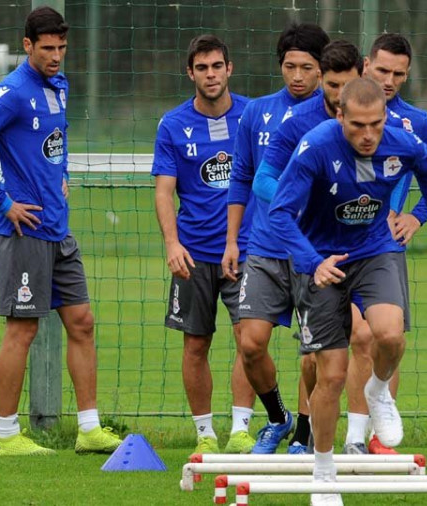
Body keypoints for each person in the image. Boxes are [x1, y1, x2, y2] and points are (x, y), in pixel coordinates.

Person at [269, 77, 427, 505]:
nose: (367, 135)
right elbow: (280, 212)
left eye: (375, 125)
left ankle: (378, 391)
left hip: (374, 247)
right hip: (323, 259)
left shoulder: (403, 142)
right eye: (357, 124)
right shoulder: (316, 146)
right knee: (333, 375)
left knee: (391, 334)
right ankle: (323, 474)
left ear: (385, 119)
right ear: (339, 115)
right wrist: (312, 262)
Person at [0, 6, 121, 456]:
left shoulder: (59, 85)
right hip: (23, 232)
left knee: (82, 322)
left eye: (62, 47)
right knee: (22, 329)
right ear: (28, 46)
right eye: (48, 48)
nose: (57, 56)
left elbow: (54, 142)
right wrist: (3, 201)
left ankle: (89, 429)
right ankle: (5, 434)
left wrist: (59, 174)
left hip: (58, 229)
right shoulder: (11, 92)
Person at [252, 39, 404, 454]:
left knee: (373, 334)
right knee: (318, 362)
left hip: (368, 249)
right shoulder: (299, 126)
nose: (340, 96)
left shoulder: (384, 120)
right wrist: (305, 201)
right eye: (332, 86)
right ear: (324, 82)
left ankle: (358, 436)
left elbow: (417, 166)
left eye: (348, 85)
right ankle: (308, 437)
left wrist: (402, 211)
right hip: (310, 248)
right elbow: (263, 181)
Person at [338, 32, 427, 455]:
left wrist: (416, 216)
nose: (389, 80)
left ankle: (373, 437)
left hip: (384, 247)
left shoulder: (415, 124)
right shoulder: (341, 114)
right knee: (356, 337)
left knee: (384, 339)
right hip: (336, 243)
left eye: (399, 74)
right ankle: (350, 435)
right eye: (383, 70)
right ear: (366, 65)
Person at [224, 22, 330, 454]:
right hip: (264, 247)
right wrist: (233, 240)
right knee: (250, 343)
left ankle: (304, 434)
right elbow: (243, 177)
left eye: (307, 67)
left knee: (313, 354)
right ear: (280, 66)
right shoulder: (258, 113)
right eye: (290, 66)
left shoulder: (335, 116)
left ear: (323, 70)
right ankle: (277, 417)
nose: (298, 76)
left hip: (313, 250)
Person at [151, 35, 257, 454]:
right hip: (193, 253)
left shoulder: (253, 117)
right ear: (190, 73)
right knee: (196, 344)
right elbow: (164, 192)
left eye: (217, 66)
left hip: (247, 251)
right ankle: (205, 435)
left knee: (250, 341)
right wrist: (172, 244)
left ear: (229, 69)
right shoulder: (173, 125)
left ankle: (242, 431)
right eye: (202, 68)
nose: (210, 74)